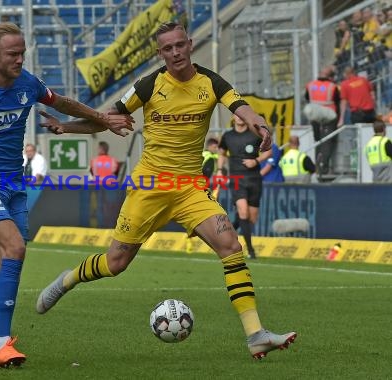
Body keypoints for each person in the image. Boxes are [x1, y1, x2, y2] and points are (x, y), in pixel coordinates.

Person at [36, 22, 296, 360]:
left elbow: (241, 107)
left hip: (189, 187)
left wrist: (261, 124)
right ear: (160, 53)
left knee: (230, 245)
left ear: (189, 44)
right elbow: (107, 118)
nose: (175, 53)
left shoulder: (211, 82)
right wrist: (65, 128)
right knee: (116, 263)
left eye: (179, 45)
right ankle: (67, 280)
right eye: (167, 49)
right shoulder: (148, 85)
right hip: (150, 186)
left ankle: (255, 334)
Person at [0, 22, 132, 368]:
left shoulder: (28, 83)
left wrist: (103, 118)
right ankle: (3, 345)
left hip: (16, 184)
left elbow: (64, 103)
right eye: (13, 53)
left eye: (23, 52)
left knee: (4, 278)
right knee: (15, 247)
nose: (20, 58)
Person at [218, 115, 272, 259]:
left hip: (254, 179)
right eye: (236, 115)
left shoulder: (255, 134)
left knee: (251, 218)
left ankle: (228, 233)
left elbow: (268, 151)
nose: (240, 118)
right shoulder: (227, 136)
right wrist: (219, 170)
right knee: (243, 212)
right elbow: (222, 153)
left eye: (242, 115)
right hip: (236, 178)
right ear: (233, 117)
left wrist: (256, 160)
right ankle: (250, 251)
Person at [304, 66, 340, 176]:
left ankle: (318, 162)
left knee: (317, 140)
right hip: (329, 115)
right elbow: (337, 101)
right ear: (330, 77)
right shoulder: (332, 86)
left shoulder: (310, 85)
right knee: (328, 140)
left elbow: (307, 98)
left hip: (314, 115)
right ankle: (324, 166)